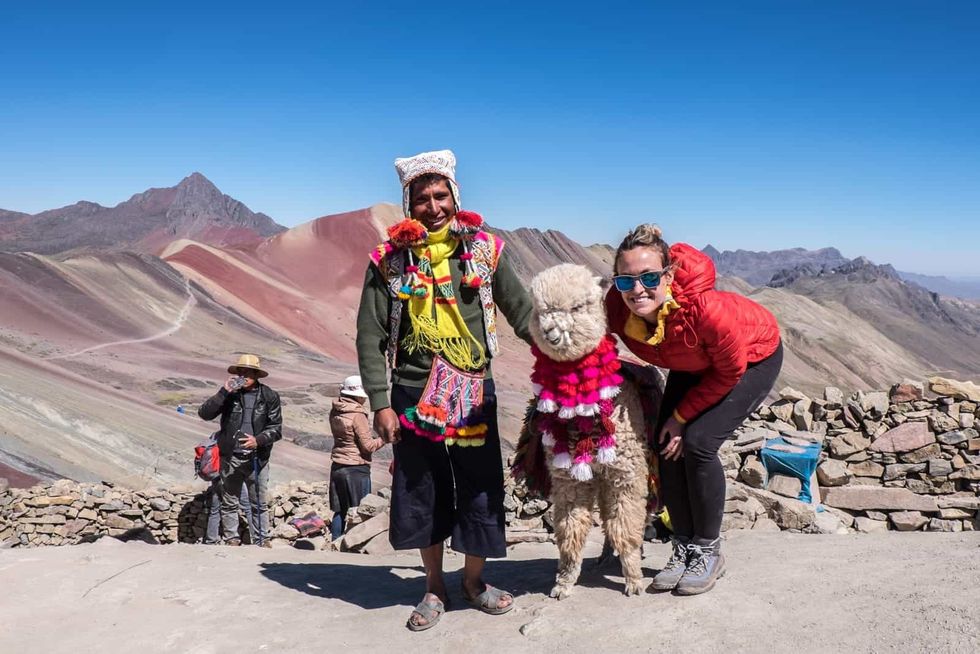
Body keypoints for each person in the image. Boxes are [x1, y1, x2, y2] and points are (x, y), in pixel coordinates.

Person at [356, 149, 533, 631]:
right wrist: (380, 402)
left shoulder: (483, 251)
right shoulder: (389, 262)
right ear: (408, 205)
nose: (433, 206)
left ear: (455, 197)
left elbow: (523, 312)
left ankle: (474, 582)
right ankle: (433, 587)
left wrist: (567, 352)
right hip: (413, 395)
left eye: (440, 195)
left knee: (479, 487)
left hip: (474, 390)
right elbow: (369, 335)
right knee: (422, 489)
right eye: (421, 198)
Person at [605, 224, 782, 595]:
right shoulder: (618, 308)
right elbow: (596, 339)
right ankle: (682, 546)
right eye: (626, 281)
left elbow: (729, 371)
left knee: (698, 442)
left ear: (668, 275)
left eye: (649, 277)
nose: (637, 290)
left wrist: (681, 417)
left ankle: (708, 549)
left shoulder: (705, 312)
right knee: (665, 445)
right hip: (692, 361)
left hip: (750, 359)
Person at [198, 354, 282, 547]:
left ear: (256, 375)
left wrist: (258, 440)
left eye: (247, 372)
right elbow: (205, 414)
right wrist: (223, 392)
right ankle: (232, 540)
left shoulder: (269, 396)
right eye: (240, 372)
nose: (243, 376)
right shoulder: (230, 396)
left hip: (257, 458)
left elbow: (276, 428)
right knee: (229, 502)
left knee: (258, 502)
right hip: (231, 457)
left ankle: (262, 540)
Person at [328, 375, 384, 540]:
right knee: (359, 510)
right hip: (356, 468)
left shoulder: (336, 409)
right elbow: (368, 446)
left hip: (337, 465)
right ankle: (353, 546)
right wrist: (385, 439)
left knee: (340, 510)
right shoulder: (357, 414)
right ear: (358, 395)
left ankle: (335, 543)